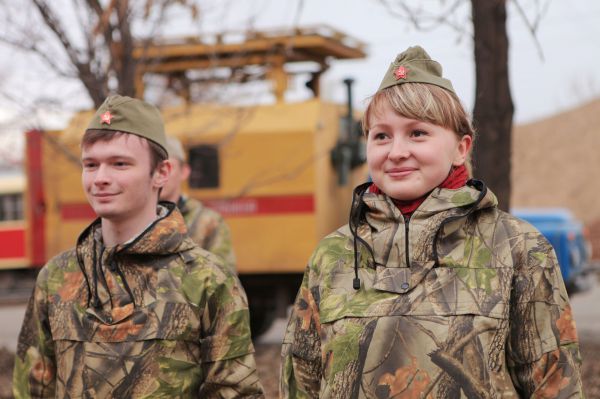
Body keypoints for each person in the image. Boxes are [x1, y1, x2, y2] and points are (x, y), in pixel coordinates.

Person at [280, 46, 583, 398]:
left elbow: (554, 386)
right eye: (381, 136)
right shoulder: (332, 254)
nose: (396, 151)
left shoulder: (518, 249)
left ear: (461, 148)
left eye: (417, 133)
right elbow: (300, 383)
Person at [13, 95, 264, 398]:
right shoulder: (56, 278)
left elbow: (235, 391)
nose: (101, 178)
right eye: (91, 165)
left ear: (161, 173)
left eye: (120, 164)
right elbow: (33, 388)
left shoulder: (208, 280)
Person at [160, 135, 237, 272]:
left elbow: (224, 278)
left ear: (184, 172)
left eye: (168, 168)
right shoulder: (133, 219)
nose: (161, 175)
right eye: (155, 169)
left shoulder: (208, 222)